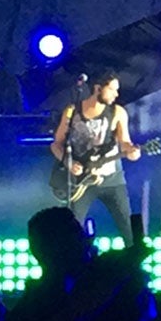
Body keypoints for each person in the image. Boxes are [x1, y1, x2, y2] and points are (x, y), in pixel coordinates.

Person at [48, 72, 142, 237]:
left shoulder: (118, 112)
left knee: (128, 228)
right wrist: (68, 163)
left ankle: (135, 255)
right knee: (73, 230)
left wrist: (132, 151)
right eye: (112, 89)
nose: (116, 94)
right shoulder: (72, 111)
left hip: (112, 179)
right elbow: (56, 144)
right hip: (81, 182)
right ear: (98, 88)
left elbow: (125, 141)